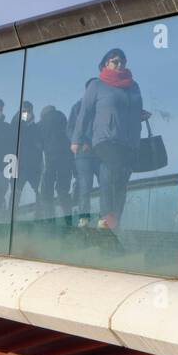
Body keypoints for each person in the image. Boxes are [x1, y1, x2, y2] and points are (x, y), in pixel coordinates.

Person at [71, 48, 152, 232]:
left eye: (123, 61)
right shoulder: (97, 85)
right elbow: (84, 113)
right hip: (106, 138)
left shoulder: (133, 86)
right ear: (106, 63)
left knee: (120, 179)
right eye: (115, 61)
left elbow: (133, 109)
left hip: (129, 141)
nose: (120, 64)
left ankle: (114, 220)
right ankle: (106, 218)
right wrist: (77, 138)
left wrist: (140, 115)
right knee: (112, 173)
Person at [37, 104, 73, 220]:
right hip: (66, 158)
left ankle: (50, 219)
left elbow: (37, 141)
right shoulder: (63, 119)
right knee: (63, 189)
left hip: (50, 159)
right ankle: (68, 218)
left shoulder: (42, 123)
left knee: (47, 190)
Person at [12, 100, 43, 212]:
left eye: (28, 110)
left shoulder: (36, 127)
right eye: (24, 111)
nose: (26, 113)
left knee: (38, 191)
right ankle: (12, 214)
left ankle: (40, 214)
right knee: (16, 192)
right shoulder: (16, 125)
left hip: (34, 165)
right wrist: (21, 119)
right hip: (19, 165)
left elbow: (40, 144)